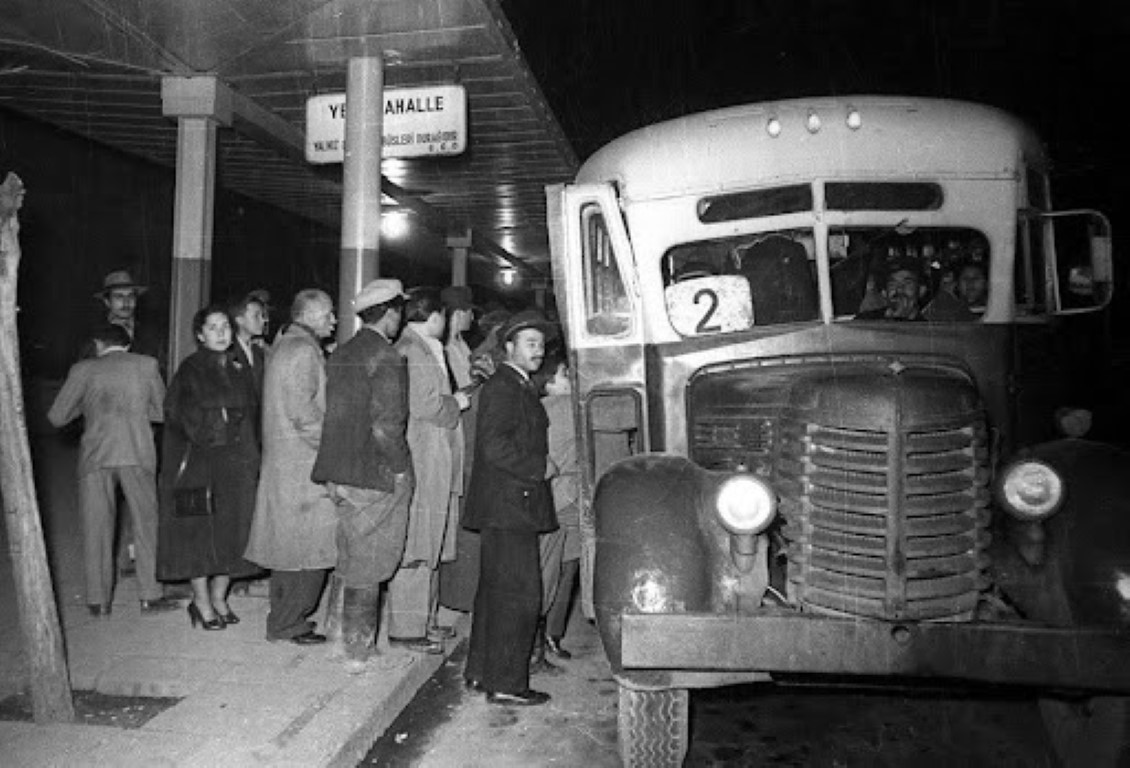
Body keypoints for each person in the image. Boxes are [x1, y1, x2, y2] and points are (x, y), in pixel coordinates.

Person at [311, 278, 413, 673]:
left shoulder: (341, 353)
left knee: (350, 554)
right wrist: (403, 470)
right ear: (391, 313)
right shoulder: (387, 358)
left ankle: (335, 636)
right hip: (373, 473)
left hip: (338, 471)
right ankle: (357, 649)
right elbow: (387, 428)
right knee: (371, 561)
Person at [47, 324, 180, 616]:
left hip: (96, 456)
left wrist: (88, 406)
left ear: (97, 344)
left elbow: (57, 417)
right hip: (136, 452)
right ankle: (149, 596)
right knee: (146, 525)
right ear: (127, 345)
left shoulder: (83, 369)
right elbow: (162, 411)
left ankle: (98, 601)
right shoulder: (146, 365)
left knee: (96, 527)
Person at [462, 309, 559, 707]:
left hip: (504, 505)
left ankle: (481, 672)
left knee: (495, 594)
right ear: (508, 348)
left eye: (540, 344)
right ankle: (505, 683)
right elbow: (494, 446)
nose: (537, 351)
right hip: (511, 505)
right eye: (529, 344)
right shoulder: (506, 387)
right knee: (519, 596)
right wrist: (540, 467)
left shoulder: (515, 384)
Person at [157, 305, 261, 630]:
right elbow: (179, 416)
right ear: (200, 335)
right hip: (197, 466)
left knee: (233, 532)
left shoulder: (239, 369)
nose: (221, 333)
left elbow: (252, 419)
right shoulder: (189, 370)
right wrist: (218, 426)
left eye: (225, 327)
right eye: (212, 327)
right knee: (197, 535)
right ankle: (200, 602)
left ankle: (219, 597)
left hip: (233, 467)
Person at [244, 290, 338, 645]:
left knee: (289, 552)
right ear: (311, 315)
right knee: (311, 553)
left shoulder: (287, 345)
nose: (333, 321)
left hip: (290, 467)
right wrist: (332, 453)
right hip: (303, 469)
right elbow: (305, 416)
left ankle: (283, 620)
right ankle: (288, 623)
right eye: (328, 314)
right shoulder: (301, 351)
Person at [388, 288, 471, 654]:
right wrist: (458, 402)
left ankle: (425, 620)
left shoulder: (422, 347)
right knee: (418, 545)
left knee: (433, 543)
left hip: (435, 458)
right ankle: (406, 629)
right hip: (423, 459)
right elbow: (425, 406)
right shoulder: (413, 350)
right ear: (433, 316)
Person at [537, 351, 581, 662]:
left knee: (546, 568)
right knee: (566, 569)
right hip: (568, 495)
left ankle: (540, 636)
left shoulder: (536, 409)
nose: (572, 380)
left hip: (544, 496)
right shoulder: (566, 408)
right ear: (551, 382)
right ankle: (551, 634)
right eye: (566, 375)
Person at [228, 293, 268, 446]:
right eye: (256, 316)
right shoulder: (228, 353)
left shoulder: (259, 353)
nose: (263, 320)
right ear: (239, 319)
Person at [855, 262, 927, 321]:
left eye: (908, 283)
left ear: (921, 290)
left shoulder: (929, 331)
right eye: (892, 284)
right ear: (884, 293)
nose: (899, 289)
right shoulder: (865, 321)